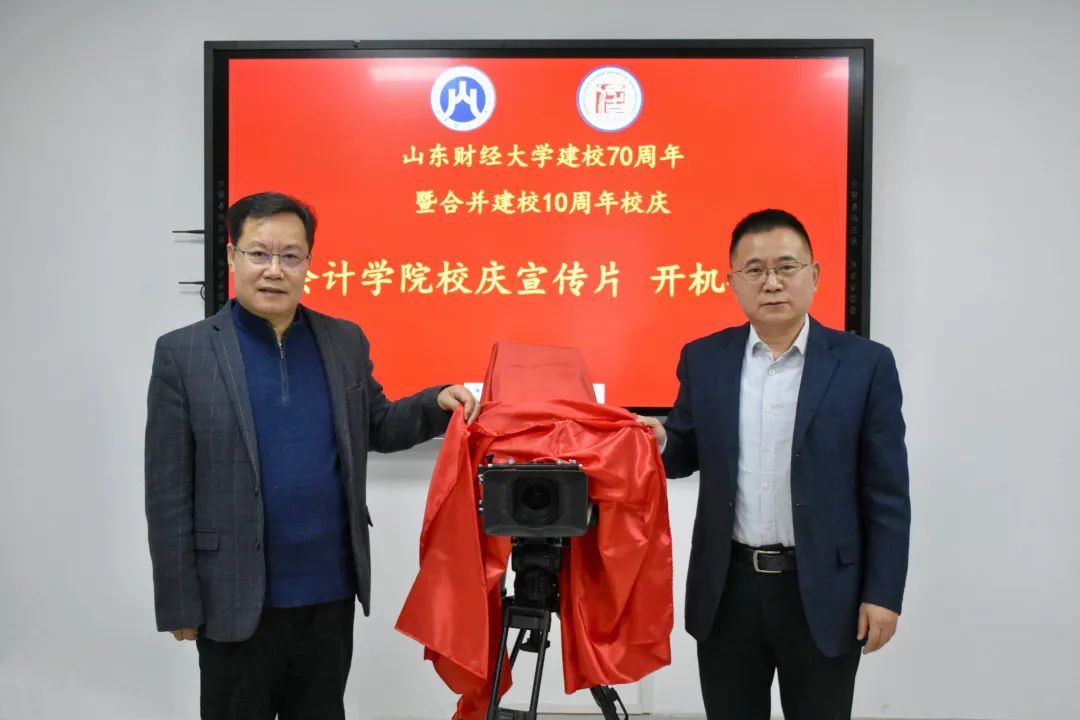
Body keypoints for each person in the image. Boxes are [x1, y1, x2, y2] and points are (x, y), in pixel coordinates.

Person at [145, 191, 479, 720]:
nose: (274, 270)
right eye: (259, 253)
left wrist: (434, 404)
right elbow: (167, 490)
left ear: (308, 262)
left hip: (327, 590)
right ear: (232, 256)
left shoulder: (343, 341)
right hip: (233, 595)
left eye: (290, 256)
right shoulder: (184, 353)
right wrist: (179, 599)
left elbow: (376, 424)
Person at [639, 208, 910, 719]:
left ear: (814, 274)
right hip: (728, 589)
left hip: (825, 592)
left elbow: (887, 493)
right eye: (755, 270)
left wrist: (883, 593)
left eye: (786, 267)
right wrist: (658, 442)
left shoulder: (865, 364)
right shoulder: (704, 359)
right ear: (733, 283)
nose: (771, 283)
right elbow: (685, 452)